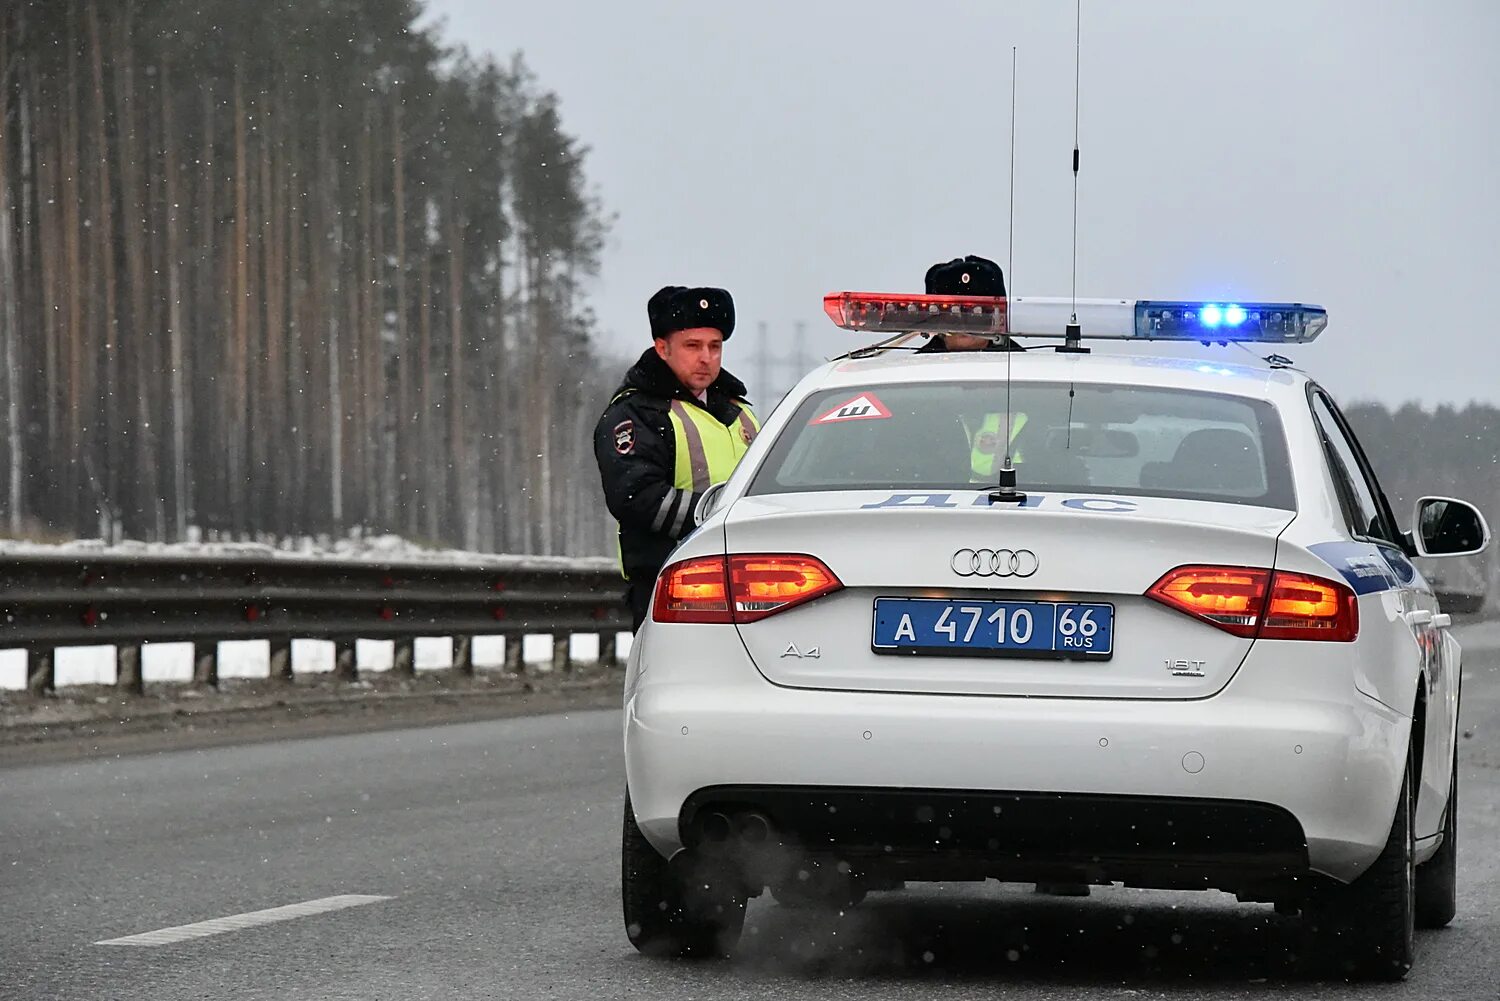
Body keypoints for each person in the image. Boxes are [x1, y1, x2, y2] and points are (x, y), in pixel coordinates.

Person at [594, 286, 760, 631]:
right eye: (692, 346)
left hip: (749, 589)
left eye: (715, 347)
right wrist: (721, 518)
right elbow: (635, 496)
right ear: (662, 348)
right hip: (671, 591)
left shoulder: (741, 413)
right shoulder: (637, 413)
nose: (706, 358)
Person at [916, 255, 1029, 480]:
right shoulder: (905, 378)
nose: (964, 325)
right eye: (953, 315)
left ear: (999, 319)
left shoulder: (1033, 380)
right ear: (933, 320)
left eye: (977, 314)